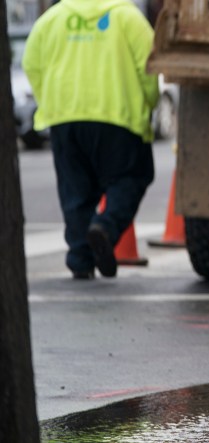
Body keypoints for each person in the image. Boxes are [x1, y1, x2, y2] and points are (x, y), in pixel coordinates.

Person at [23, 0, 159, 279]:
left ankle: (80, 260)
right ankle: (105, 228)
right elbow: (150, 67)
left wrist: (49, 100)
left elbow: (31, 65)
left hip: (64, 118)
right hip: (117, 116)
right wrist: (148, 104)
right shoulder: (128, 17)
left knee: (76, 193)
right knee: (131, 178)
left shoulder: (51, 20)